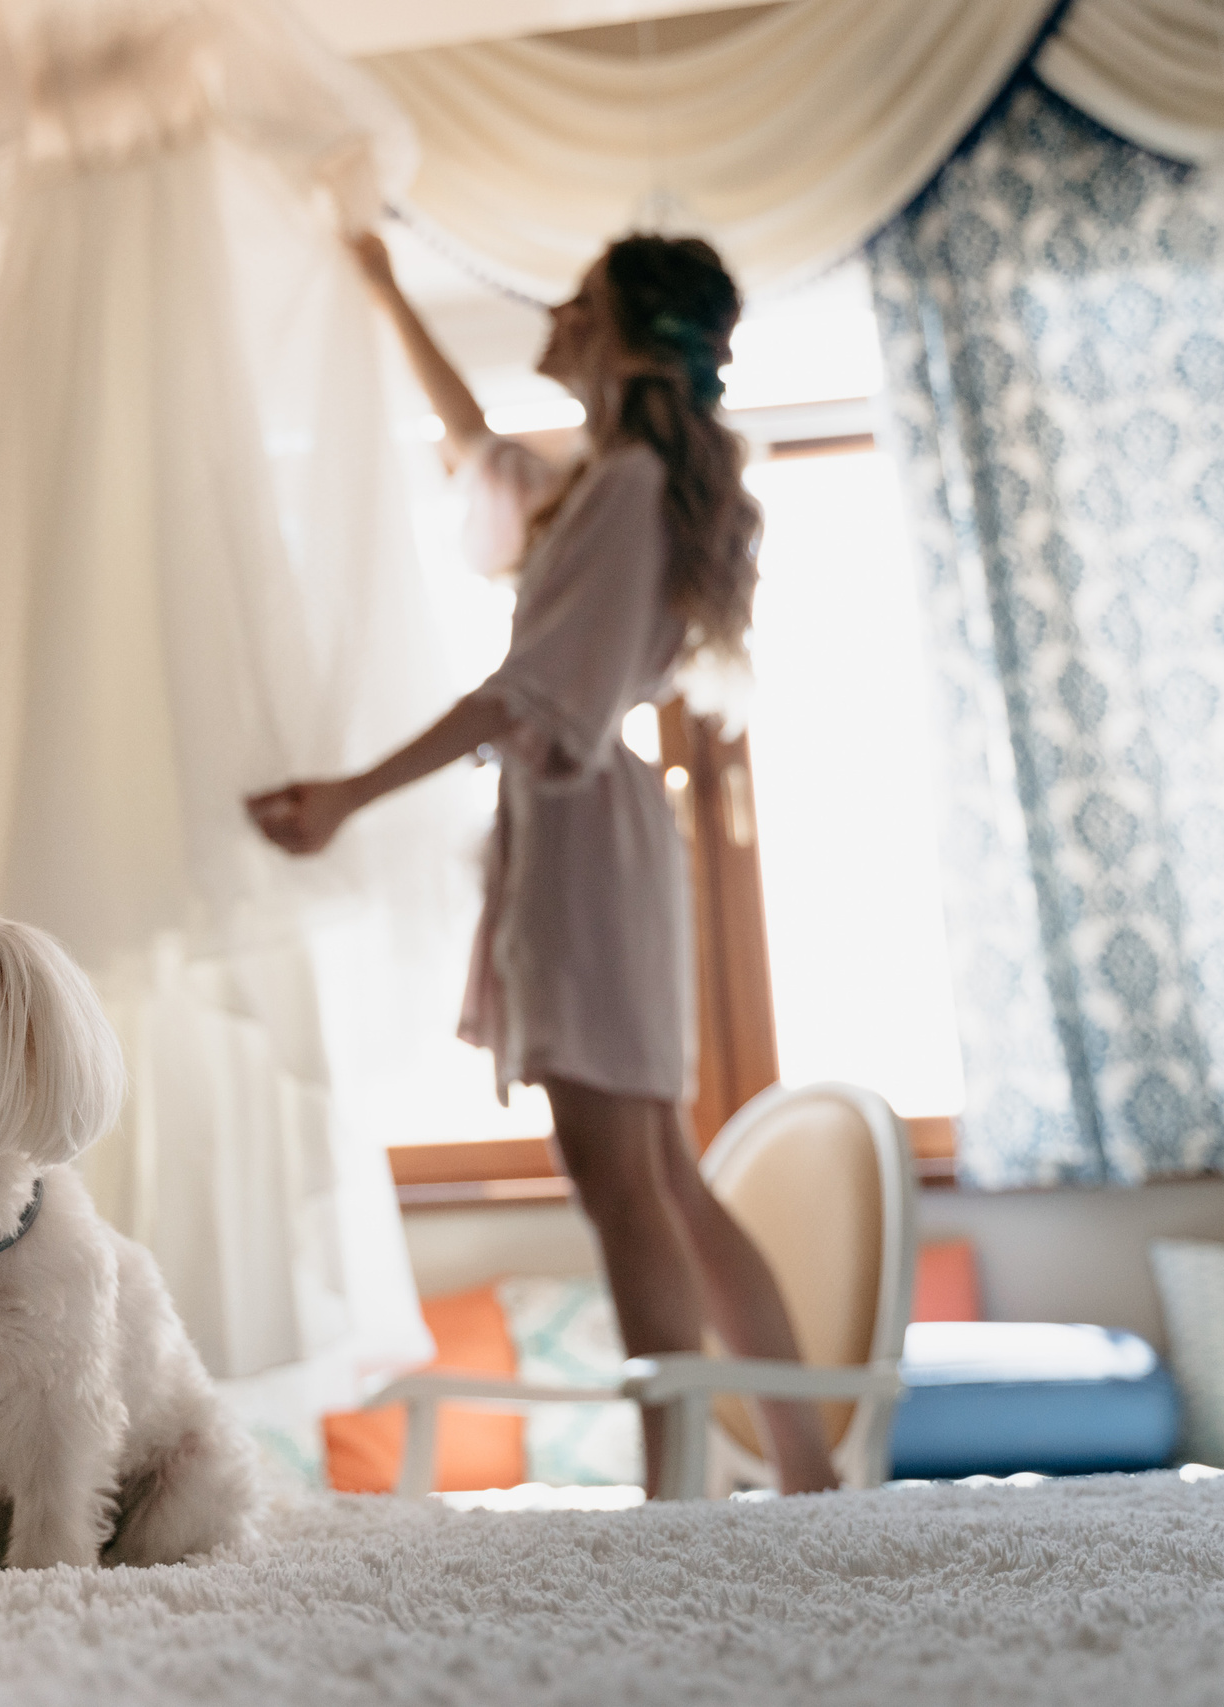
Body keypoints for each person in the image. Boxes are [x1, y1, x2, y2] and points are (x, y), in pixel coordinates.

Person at [245, 230, 839, 1496]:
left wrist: (349, 796)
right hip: (589, 839)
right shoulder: (608, 486)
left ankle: (686, 1483)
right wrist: (385, 288)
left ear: (622, 332)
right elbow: (478, 449)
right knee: (656, 1174)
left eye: (581, 299)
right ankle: (799, 1470)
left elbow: (524, 696)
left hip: (586, 846)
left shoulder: (622, 494)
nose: (555, 313)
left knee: (625, 1180)